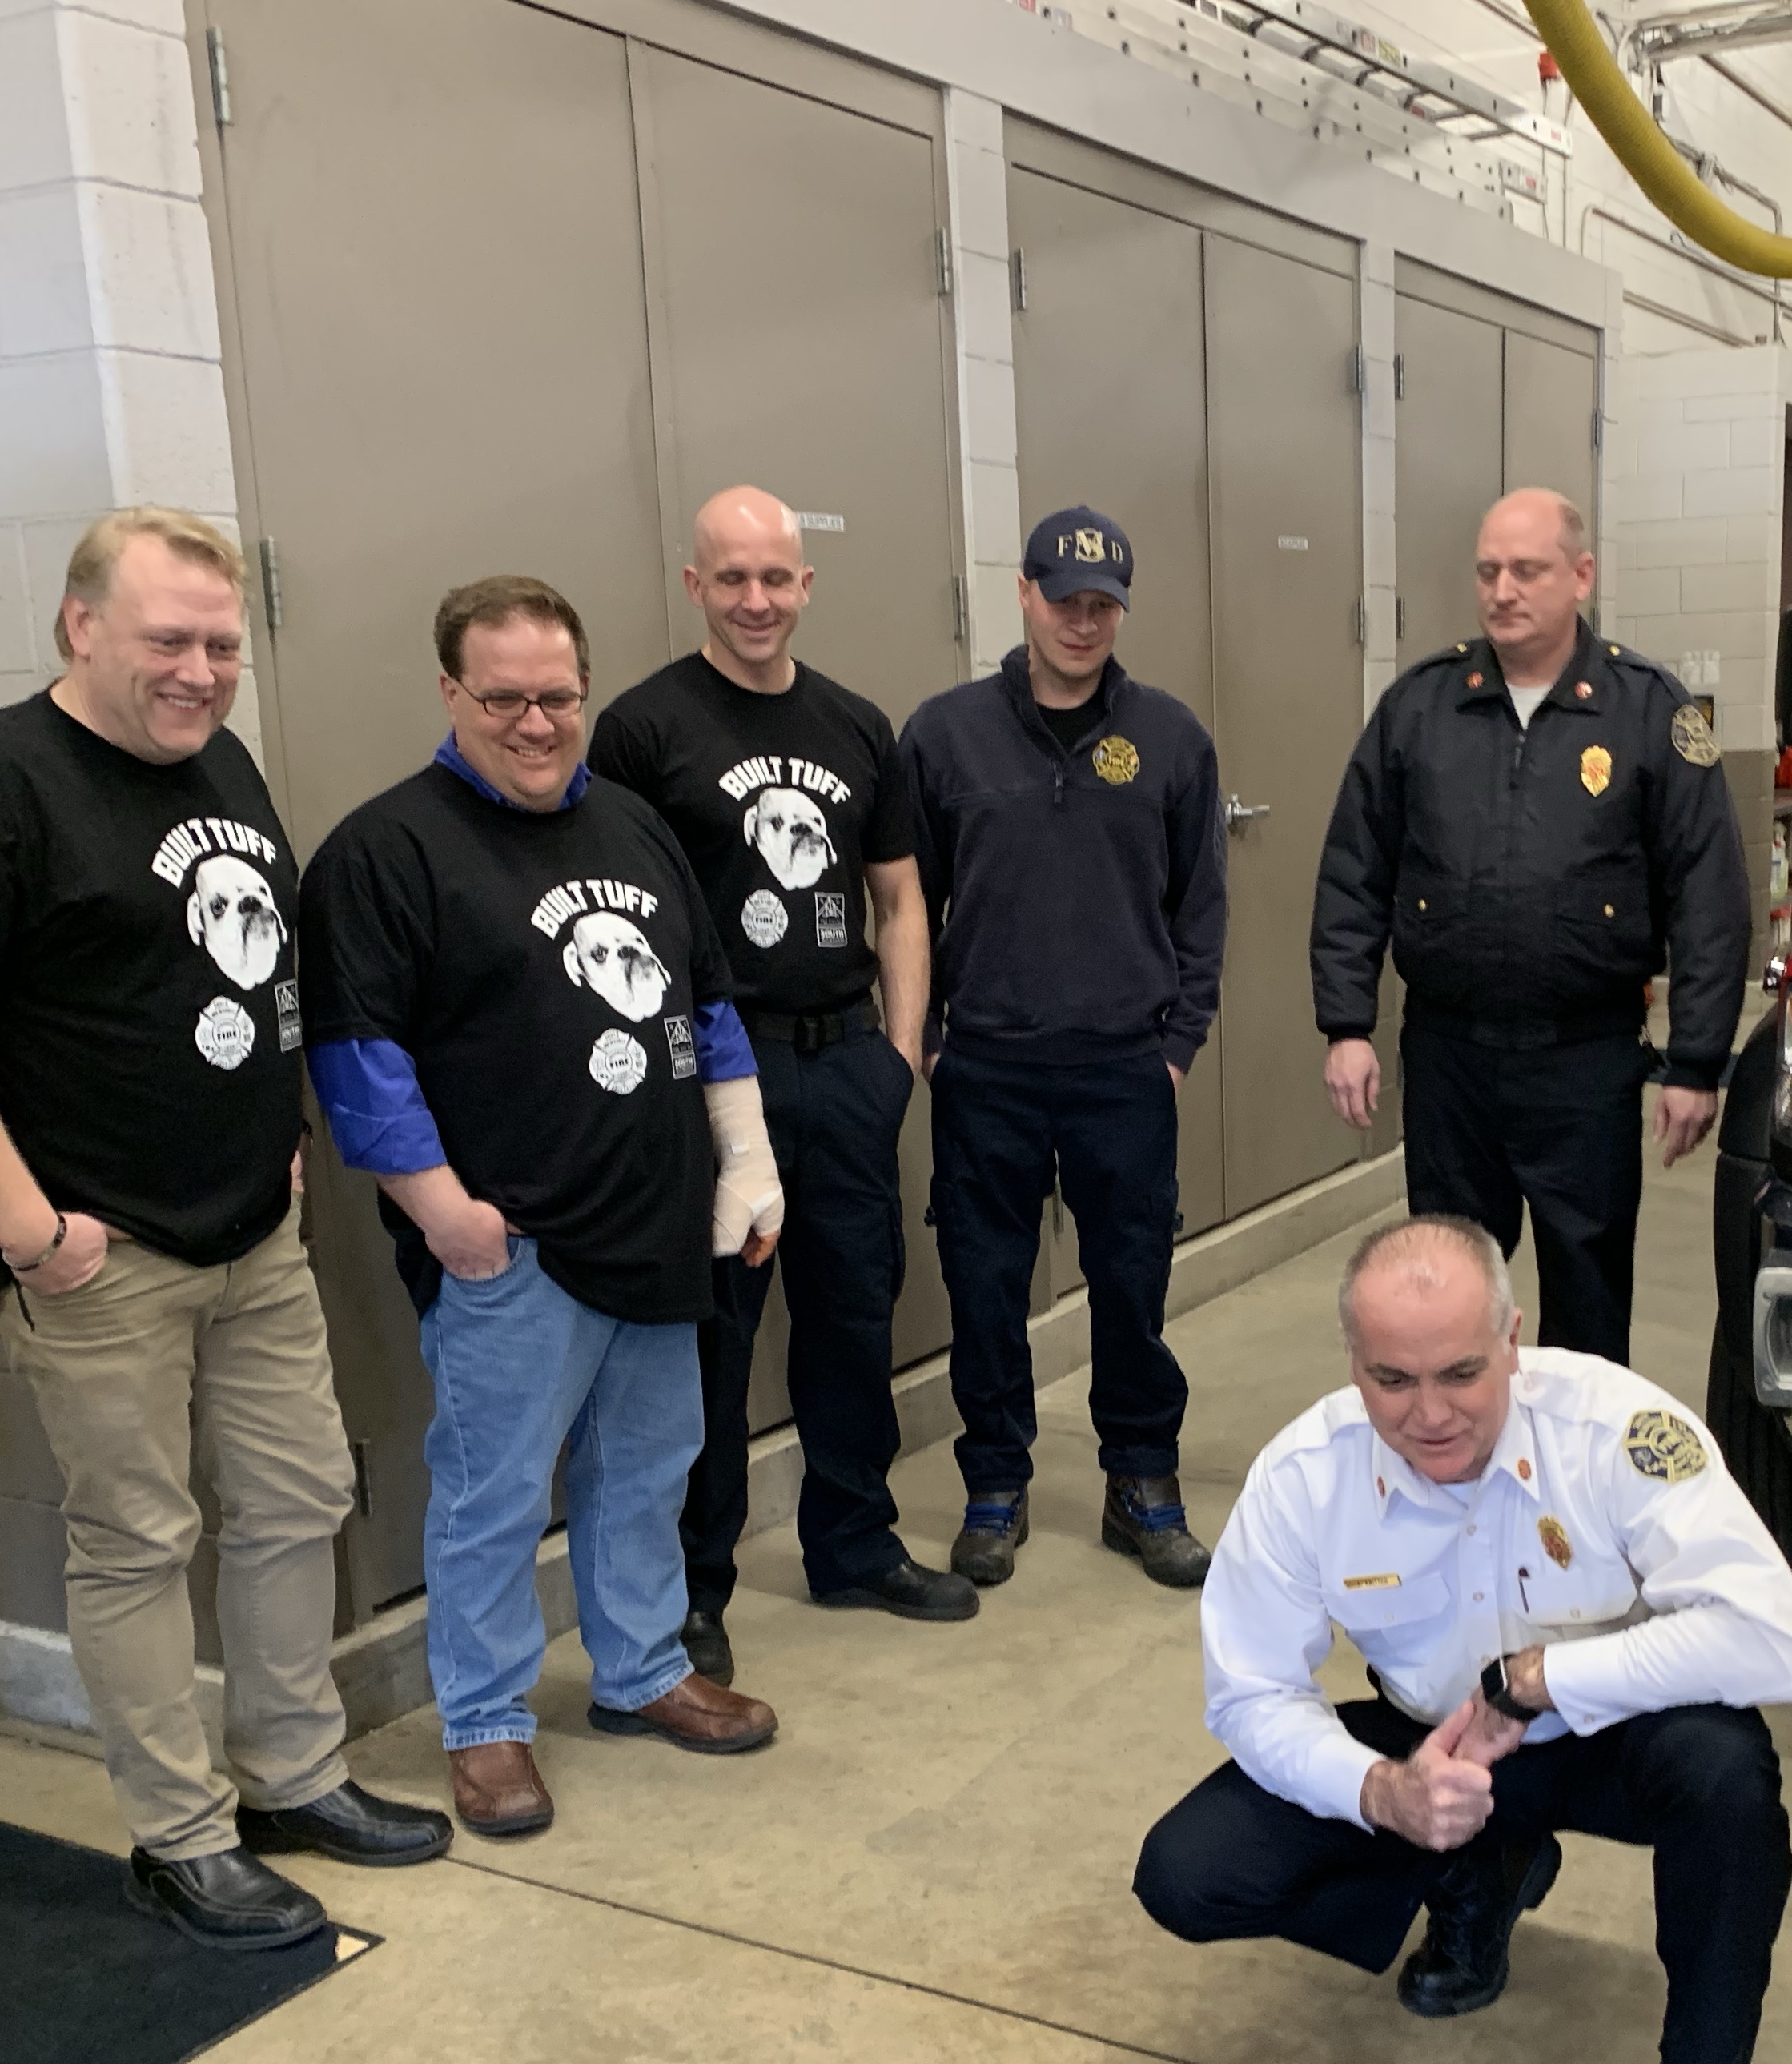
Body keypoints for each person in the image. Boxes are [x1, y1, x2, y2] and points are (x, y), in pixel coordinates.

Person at [0, 506, 452, 1953]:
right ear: (79, 626)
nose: (199, 672)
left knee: (299, 1499)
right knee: (136, 1539)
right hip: (96, 1255)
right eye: (167, 640)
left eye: (222, 645)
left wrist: (281, 1138)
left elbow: (242, 969)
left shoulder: (220, 763)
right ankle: (180, 1837)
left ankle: (292, 1775)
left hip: (251, 1232)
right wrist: (29, 1231)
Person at [1133, 1215, 1792, 2064]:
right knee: (1188, 1874)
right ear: (1352, 1361)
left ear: (1513, 1340)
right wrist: (1381, 1791)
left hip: (1607, 1735)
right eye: (1392, 1379)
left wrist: (1539, 1683)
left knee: (1727, 1779)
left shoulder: (1617, 1430)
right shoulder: (1306, 1476)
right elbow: (1253, 1693)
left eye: (1461, 1371)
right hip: (1433, 1747)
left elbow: (1777, 1641)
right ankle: (1477, 1869)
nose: (1431, 1413)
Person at [303, 576, 786, 1841]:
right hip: (509, 1248)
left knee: (649, 1468)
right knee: (495, 1495)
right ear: (451, 692)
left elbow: (708, 1008)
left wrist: (746, 1163)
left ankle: (641, 1669)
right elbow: (359, 1057)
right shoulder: (386, 850)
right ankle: (484, 1723)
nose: (536, 722)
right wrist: (443, 1213)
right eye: (505, 697)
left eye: (558, 696)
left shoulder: (635, 826)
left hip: (657, 1225)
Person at [590, 489, 970, 1682]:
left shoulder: (857, 724)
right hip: (719, 1081)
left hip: (844, 1065)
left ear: (806, 584)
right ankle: (693, 1591)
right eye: (732, 578)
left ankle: (853, 1542)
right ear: (694, 585)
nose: (756, 600)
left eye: (775, 578)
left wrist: (896, 1059)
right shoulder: (642, 730)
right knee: (710, 1344)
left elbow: (900, 899)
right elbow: (623, 908)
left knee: (855, 1317)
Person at [1312, 488, 1751, 1365]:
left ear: (1581, 576)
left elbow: (1709, 894)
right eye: (1488, 572)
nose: (1503, 590)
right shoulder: (1421, 709)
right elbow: (1354, 871)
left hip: (1584, 1062)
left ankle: (1574, 1455)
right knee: (1444, 1295)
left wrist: (1697, 1062)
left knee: (1588, 1299)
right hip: (1450, 1059)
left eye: (1527, 570)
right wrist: (1347, 1025)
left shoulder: (1646, 710)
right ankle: (1457, 1448)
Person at [900, 506, 1228, 1591]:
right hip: (986, 1069)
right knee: (986, 1286)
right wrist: (930, 1040)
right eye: (1063, 600)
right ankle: (995, 1482)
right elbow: (907, 904)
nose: (1082, 622)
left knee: (1132, 1285)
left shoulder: (1171, 738)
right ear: (1024, 595)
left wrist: (1177, 1044)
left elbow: (1201, 908)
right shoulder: (945, 735)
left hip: (1123, 1068)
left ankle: (1142, 1481)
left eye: (1102, 605)